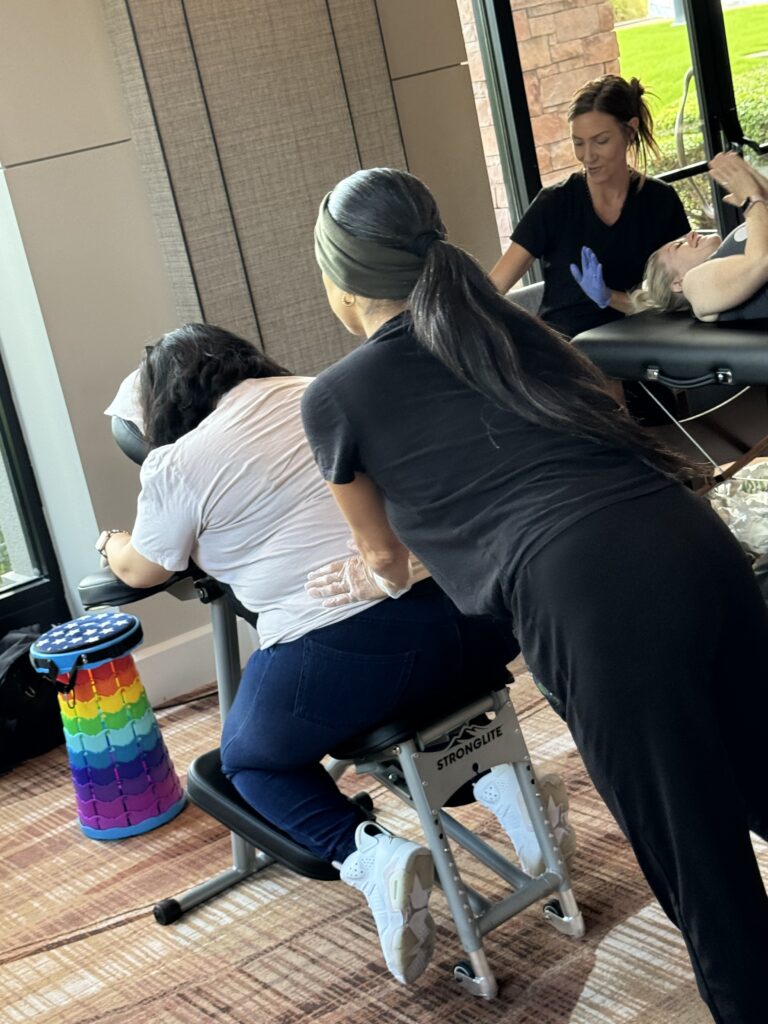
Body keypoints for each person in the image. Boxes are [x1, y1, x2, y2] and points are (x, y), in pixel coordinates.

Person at [301, 167, 768, 1024]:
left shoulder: (335, 396)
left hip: (591, 601)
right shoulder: (521, 333)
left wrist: (368, 573)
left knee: (699, 861)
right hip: (691, 541)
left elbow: (385, 558)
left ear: (340, 278)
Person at [96, 323, 574, 987]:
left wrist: (111, 541)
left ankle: (369, 857)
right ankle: (506, 790)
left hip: (353, 652)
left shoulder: (175, 463)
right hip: (472, 618)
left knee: (250, 759)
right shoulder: (328, 390)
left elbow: (143, 568)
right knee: (407, 700)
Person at [489, 74, 690, 338]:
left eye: (601, 141)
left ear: (630, 130)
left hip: (643, 347)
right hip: (567, 355)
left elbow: (679, 296)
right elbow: (493, 287)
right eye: (578, 143)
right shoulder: (554, 204)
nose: (587, 156)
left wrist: (609, 297)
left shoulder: (661, 201)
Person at [634, 151, 768, 320]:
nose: (690, 235)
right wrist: (751, 198)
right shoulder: (694, 286)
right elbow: (761, 261)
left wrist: (761, 191)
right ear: (677, 283)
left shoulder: (729, 251)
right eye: (678, 245)